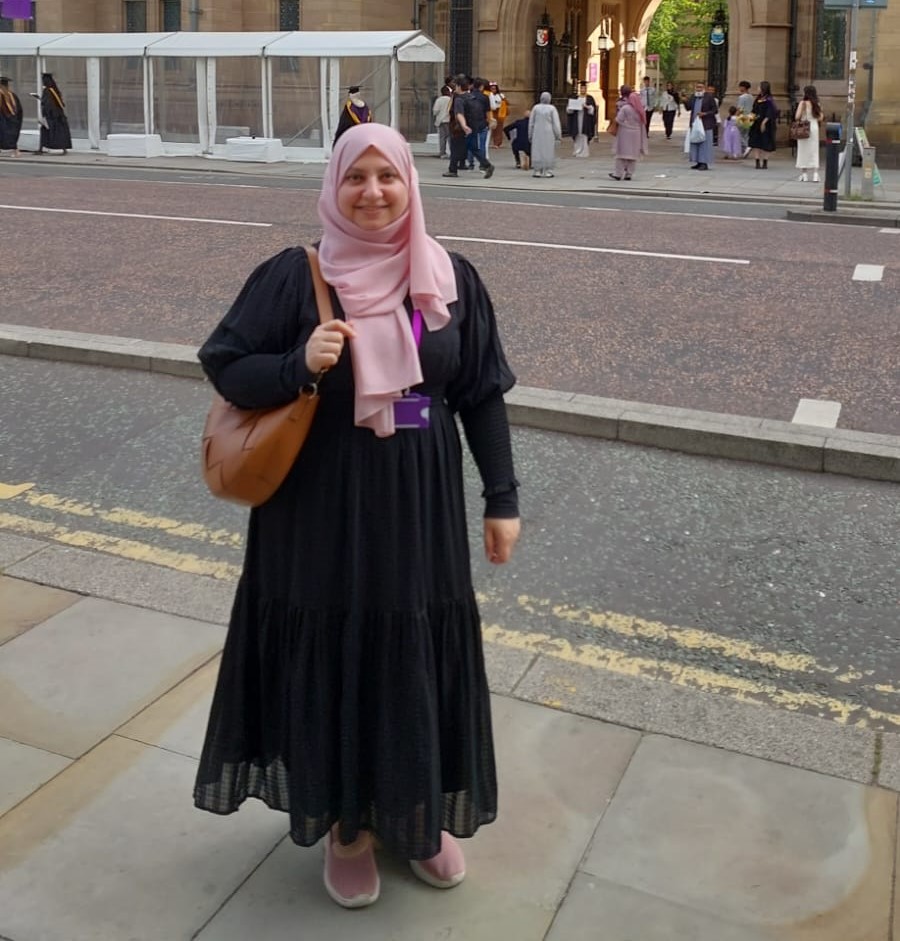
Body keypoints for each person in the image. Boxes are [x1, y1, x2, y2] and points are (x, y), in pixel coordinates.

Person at [193, 122, 521, 910]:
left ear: (411, 182)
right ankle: (347, 825)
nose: (373, 192)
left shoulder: (447, 279)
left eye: (387, 176)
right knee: (340, 648)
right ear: (333, 187)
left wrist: (502, 498)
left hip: (419, 504)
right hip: (321, 509)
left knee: (413, 647)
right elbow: (225, 365)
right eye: (356, 178)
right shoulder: (295, 276)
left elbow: (479, 394)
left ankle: (416, 812)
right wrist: (296, 364)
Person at [443, 75, 494, 179]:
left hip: (460, 129)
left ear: (458, 86)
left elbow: (459, 114)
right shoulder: (472, 97)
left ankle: (452, 170)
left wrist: (464, 125)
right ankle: (487, 165)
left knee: (455, 148)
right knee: (474, 148)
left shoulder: (459, 99)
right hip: (474, 127)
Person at [608, 84, 647, 181]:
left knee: (621, 154)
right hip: (636, 134)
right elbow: (642, 122)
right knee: (632, 155)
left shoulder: (625, 108)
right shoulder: (640, 110)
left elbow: (618, 119)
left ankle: (618, 173)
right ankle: (629, 174)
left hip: (624, 133)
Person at [528, 91, 561, 178]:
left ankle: (537, 170)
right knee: (548, 150)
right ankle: (548, 171)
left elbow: (531, 123)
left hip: (537, 132)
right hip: (549, 133)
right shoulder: (552, 109)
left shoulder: (535, 108)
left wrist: (530, 134)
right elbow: (556, 123)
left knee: (537, 150)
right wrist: (558, 135)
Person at [37, 73, 71, 155]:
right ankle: (64, 149)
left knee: (44, 131)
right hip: (59, 115)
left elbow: (47, 104)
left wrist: (42, 103)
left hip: (51, 116)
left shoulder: (47, 91)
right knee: (60, 132)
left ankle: (40, 149)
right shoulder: (55, 90)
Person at [794, 84, 822, 183]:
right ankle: (815, 174)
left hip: (804, 127)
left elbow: (797, 116)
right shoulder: (817, 104)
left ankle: (804, 174)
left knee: (803, 150)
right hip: (814, 126)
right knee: (814, 150)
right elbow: (820, 117)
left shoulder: (803, 103)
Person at [687, 81, 717, 170]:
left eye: (700, 87)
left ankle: (704, 162)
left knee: (705, 143)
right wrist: (685, 100)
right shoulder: (693, 97)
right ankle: (698, 161)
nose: (698, 89)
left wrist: (705, 113)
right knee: (695, 142)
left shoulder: (709, 97)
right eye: (697, 87)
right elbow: (688, 107)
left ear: (704, 88)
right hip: (695, 123)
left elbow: (715, 110)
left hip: (706, 124)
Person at [748, 80, 778, 169]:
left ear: (763, 88)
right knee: (756, 142)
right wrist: (749, 119)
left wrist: (764, 122)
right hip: (756, 123)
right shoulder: (758, 99)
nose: (757, 88)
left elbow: (771, 112)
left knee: (766, 143)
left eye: (759, 87)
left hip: (767, 124)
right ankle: (757, 161)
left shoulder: (769, 100)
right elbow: (754, 110)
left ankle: (765, 161)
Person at [465, 78, 492, 170]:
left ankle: (470, 163)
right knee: (482, 144)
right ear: (481, 86)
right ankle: (482, 164)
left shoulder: (468, 96)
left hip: (470, 123)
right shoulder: (485, 97)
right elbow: (488, 112)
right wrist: (490, 122)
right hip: (482, 123)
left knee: (471, 144)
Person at [566, 81, 597, 158]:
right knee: (577, 134)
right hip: (577, 119)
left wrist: (587, 106)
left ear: (586, 89)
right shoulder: (575, 98)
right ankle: (577, 151)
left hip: (585, 120)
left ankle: (584, 152)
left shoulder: (589, 98)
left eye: (584, 88)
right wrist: (572, 107)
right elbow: (569, 110)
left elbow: (592, 110)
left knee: (584, 134)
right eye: (581, 88)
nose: (583, 90)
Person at [0, 76, 23, 156]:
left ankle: (13, 150)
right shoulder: (12, 95)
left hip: (3, 120)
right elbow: (19, 109)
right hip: (13, 120)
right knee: (11, 135)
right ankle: (14, 150)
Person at [735, 80, 754, 156]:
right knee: (746, 134)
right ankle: (745, 149)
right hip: (750, 116)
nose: (739, 88)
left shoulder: (742, 97)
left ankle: (746, 147)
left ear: (743, 87)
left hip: (743, 117)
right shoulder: (751, 97)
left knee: (739, 133)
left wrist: (735, 116)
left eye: (740, 87)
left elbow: (740, 109)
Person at [432, 86, 452, 158]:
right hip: (449, 120)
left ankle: (442, 153)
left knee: (442, 137)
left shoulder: (439, 100)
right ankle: (452, 152)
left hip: (441, 121)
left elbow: (435, 111)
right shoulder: (451, 100)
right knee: (450, 137)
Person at [487, 82, 508, 149]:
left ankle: (497, 143)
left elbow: (506, 103)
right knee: (493, 128)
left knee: (499, 128)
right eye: (492, 88)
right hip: (492, 112)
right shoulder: (488, 95)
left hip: (500, 112)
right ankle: (495, 142)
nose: (493, 90)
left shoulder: (501, 95)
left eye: (494, 88)